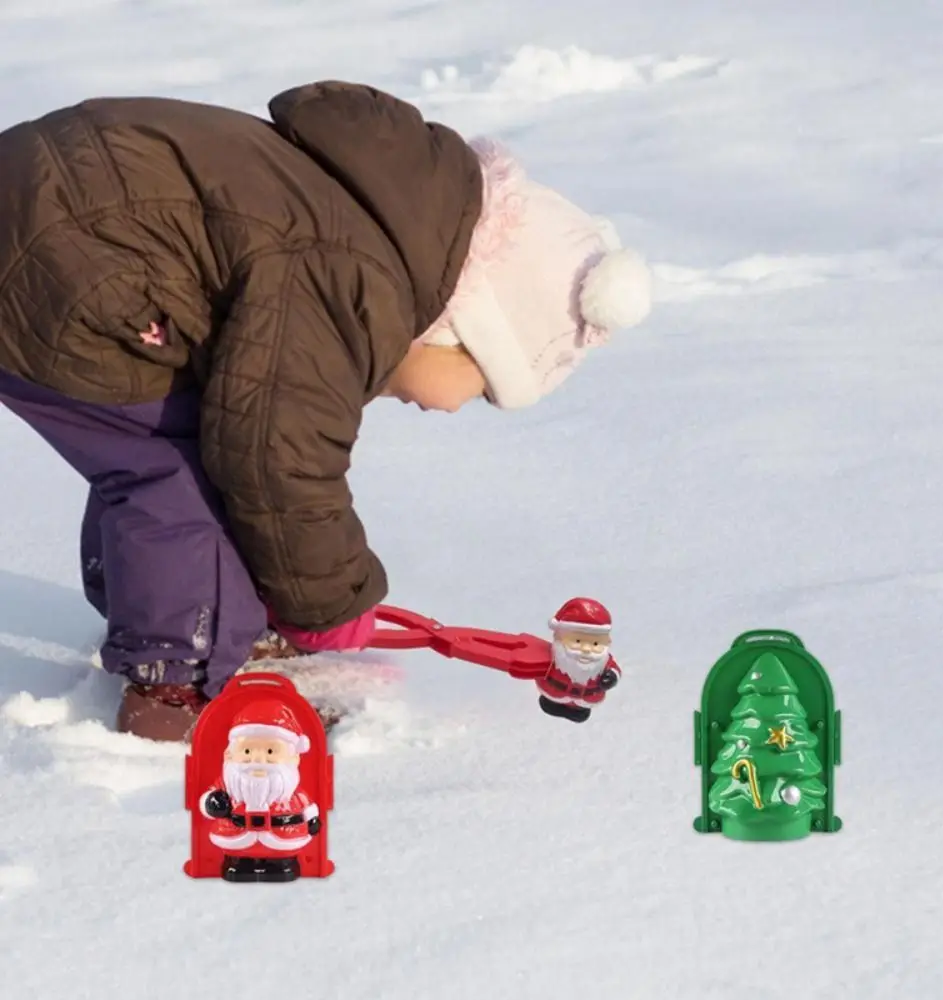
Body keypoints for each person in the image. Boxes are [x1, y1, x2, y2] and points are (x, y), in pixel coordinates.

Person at [0, 80, 653, 742]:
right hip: (61, 258)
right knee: (182, 464)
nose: (455, 409)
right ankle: (178, 688)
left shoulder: (356, 222)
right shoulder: (354, 281)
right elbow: (278, 463)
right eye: (480, 385)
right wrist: (327, 604)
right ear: (461, 325)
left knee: (161, 445)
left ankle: (174, 619)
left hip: (52, 216)